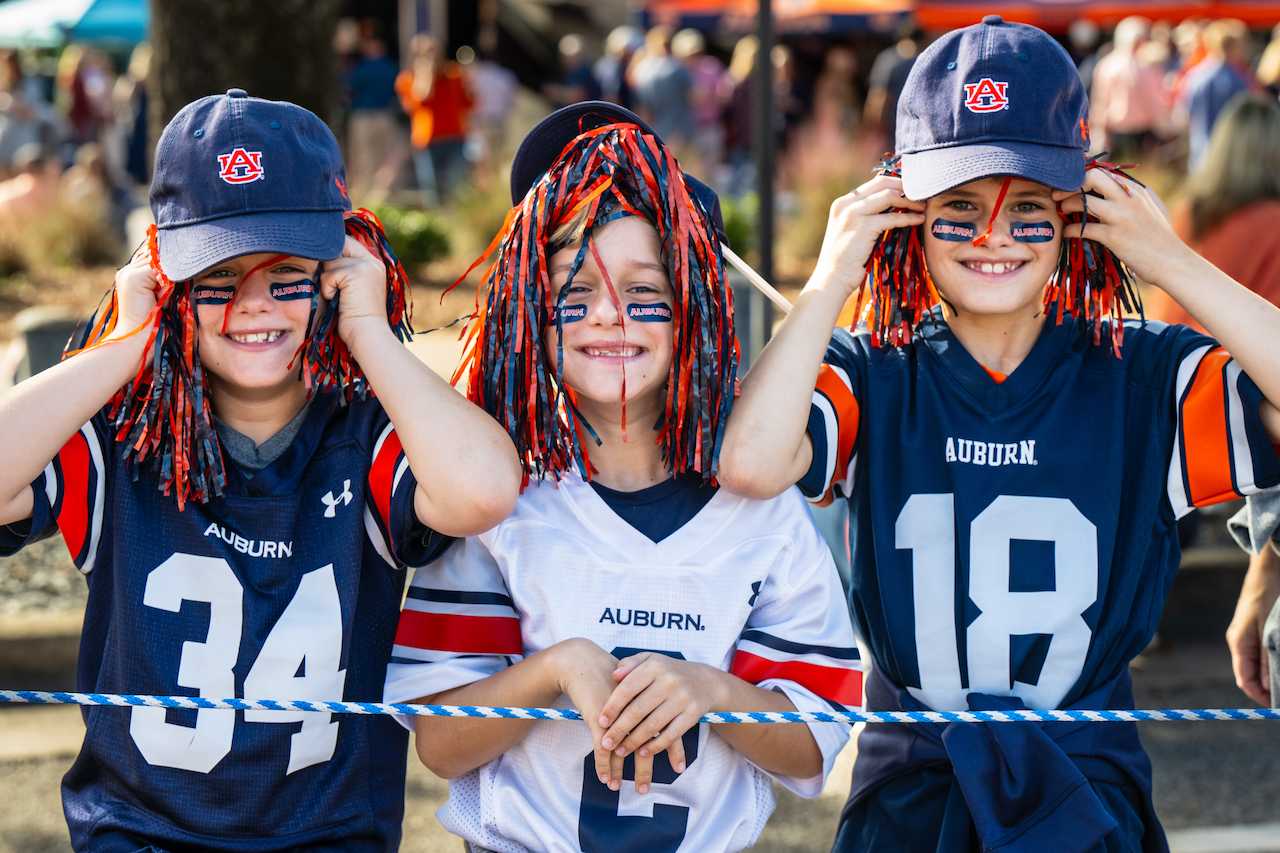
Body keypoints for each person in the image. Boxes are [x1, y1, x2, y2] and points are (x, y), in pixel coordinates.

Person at [716, 16, 1280, 851]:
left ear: (1078, 208)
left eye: (1028, 207)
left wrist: (1174, 262)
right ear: (903, 210)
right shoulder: (870, 370)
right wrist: (835, 272)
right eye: (959, 207)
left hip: (1086, 796)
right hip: (912, 794)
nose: (993, 236)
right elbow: (754, 463)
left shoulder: (1144, 375)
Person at [0, 88, 520, 851]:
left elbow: (484, 490)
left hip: (327, 838)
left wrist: (371, 330)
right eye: (215, 276)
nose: (252, 304)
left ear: (340, 265)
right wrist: (121, 342)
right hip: (141, 836)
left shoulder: (368, 433)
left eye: (285, 275)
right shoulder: (127, 433)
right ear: (165, 279)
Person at [384, 102, 862, 852]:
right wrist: (556, 669)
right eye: (574, 297)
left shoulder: (759, 513)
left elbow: (812, 746)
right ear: (527, 318)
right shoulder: (503, 503)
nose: (610, 317)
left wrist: (710, 692)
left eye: (646, 297)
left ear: (696, 312)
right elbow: (441, 745)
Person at [1144, 93, 1280, 331]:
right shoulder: (1273, 222)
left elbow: (1165, 306)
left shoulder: (1191, 211)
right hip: (1244, 359)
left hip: (1183, 355)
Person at [396, 34, 474, 205]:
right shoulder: (407, 80)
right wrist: (425, 73)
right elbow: (421, 99)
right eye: (425, 54)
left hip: (455, 137)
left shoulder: (454, 75)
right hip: (428, 140)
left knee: (457, 184)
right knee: (432, 188)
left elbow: (469, 103)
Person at [1088, 16, 1169, 161]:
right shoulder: (1145, 67)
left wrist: (1099, 132)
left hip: (1118, 132)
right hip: (1139, 134)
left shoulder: (1106, 65)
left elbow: (1099, 104)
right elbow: (1155, 103)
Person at [1181, 18, 1253, 169]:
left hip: (1200, 151)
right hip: (1228, 153)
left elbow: (1186, 112)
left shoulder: (1196, 75)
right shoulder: (1237, 79)